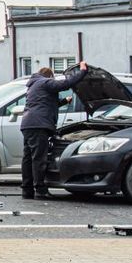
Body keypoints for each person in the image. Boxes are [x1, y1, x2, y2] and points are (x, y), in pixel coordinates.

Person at [20, 61, 88, 199]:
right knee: (39, 158)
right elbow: (65, 84)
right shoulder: (45, 82)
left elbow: (43, 103)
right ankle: (40, 190)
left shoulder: (33, 85)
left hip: (28, 124)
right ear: (50, 76)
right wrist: (82, 72)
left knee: (28, 158)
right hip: (39, 125)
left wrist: (63, 102)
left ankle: (27, 190)